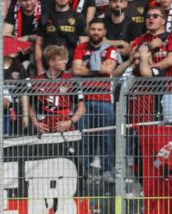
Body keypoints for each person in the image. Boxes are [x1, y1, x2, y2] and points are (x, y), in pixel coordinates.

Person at [72, 18, 119, 182]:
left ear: (104, 32)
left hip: (104, 99)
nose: (96, 32)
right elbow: (75, 68)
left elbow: (107, 69)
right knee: (84, 138)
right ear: (88, 31)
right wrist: (96, 70)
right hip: (84, 100)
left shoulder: (111, 49)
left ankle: (107, 171)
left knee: (106, 138)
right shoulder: (81, 48)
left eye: (99, 29)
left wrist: (87, 68)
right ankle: (83, 173)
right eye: (93, 29)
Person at [22, 44, 85, 133]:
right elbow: (31, 106)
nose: (65, 62)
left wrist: (70, 122)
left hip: (66, 129)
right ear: (51, 62)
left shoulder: (71, 80)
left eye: (65, 59)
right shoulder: (37, 81)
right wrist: (36, 123)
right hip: (45, 129)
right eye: (61, 59)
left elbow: (82, 108)